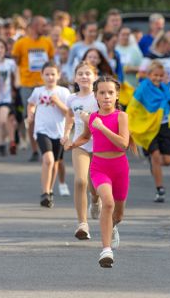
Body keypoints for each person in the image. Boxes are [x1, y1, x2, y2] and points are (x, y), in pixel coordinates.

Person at [68, 76, 134, 268]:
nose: (106, 97)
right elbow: (86, 136)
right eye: (102, 93)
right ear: (95, 96)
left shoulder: (122, 117)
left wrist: (103, 128)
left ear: (117, 96)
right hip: (99, 167)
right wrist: (73, 143)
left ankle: (113, 226)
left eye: (110, 93)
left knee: (119, 214)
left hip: (119, 168)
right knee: (108, 202)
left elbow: (123, 144)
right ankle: (106, 250)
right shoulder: (93, 118)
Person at [128, 61, 170, 203]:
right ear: (148, 75)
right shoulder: (142, 89)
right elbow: (132, 108)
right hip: (149, 129)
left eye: (161, 76)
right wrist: (125, 125)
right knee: (155, 156)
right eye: (155, 75)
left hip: (164, 128)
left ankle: (153, 165)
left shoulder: (165, 90)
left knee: (167, 161)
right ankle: (160, 188)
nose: (158, 78)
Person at [63, 62, 101, 240]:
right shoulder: (72, 99)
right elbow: (69, 116)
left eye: (88, 73)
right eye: (80, 74)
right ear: (75, 78)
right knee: (80, 181)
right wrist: (66, 135)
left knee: (94, 183)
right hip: (81, 144)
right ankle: (82, 224)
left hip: (100, 145)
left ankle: (95, 199)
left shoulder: (99, 97)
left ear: (95, 76)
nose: (84, 76)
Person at [26, 62, 70, 208]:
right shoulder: (38, 91)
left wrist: (58, 102)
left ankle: (50, 190)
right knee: (49, 160)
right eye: (47, 74)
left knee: (56, 163)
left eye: (53, 74)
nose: (50, 77)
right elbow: (31, 104)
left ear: (58, 75)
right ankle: (44, 192)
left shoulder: (64, 92)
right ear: (42, 75)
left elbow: (69, 114)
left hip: (59, 132)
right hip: (42, 131)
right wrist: (30, 114)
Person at [12, 16, 54, 162]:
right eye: (43, 25)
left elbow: (51, 60)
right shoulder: (21, 43)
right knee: (31, 117)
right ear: (34, 26)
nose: (46, 27)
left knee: (48, 114)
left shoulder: (47, 42)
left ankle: (48, 146)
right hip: (27, 85)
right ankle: (35, 149)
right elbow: (16, 62)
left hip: (45, 84)